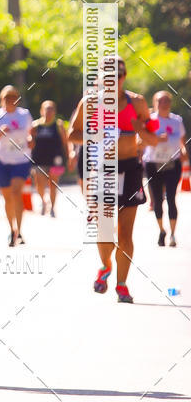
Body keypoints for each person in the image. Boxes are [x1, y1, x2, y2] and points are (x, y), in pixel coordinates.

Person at [68, 57, 160, 302]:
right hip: (102, 170)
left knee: (126, 234)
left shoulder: (137, 103)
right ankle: (106, 265)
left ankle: (121, 284)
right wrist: (94, 135)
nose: (112, 82)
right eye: (107, 77)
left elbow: (153, 138)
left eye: (116, 77)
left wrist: (139, 130)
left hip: (130, 169)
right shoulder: (89, 103)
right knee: (104, 230)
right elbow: (72, 135)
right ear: (100, 78)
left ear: (124, 76)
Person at [0, 86, 33, 247]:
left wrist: (32, 139)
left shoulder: (24, 115)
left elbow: (31, 133)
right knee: (7, 197)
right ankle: (11, 229)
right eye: (7, 98)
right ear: (1, 100)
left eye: (13, 97)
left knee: (16, 192)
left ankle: (19, 230)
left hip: (21, 160)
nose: (10, 101)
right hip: (1, 161)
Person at [143, 91, 187, 247]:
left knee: (171, 198)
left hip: (172, 164)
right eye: (161, 101)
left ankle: (173, 234)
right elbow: (142, 141)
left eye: (167, 100)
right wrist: (156, 139)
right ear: (156, 103)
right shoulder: (151, 120)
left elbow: (182, 142)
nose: (164, 104)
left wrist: (184, 154)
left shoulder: (176, 121)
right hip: (153, 163)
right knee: (157, 200)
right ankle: (162, 230)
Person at [30, 101, 69, 216]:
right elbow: (30, 143)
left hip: (55, 160)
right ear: (42, 111)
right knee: (39, 184)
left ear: (55, 111)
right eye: (46, 109)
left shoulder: (59, 125)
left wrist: (68, 157)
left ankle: (52, 207)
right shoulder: (35, 125)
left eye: (51, 109)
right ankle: (43, 201)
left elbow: (65, 142)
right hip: (39, 159)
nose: (49, 111)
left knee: (53, 184)